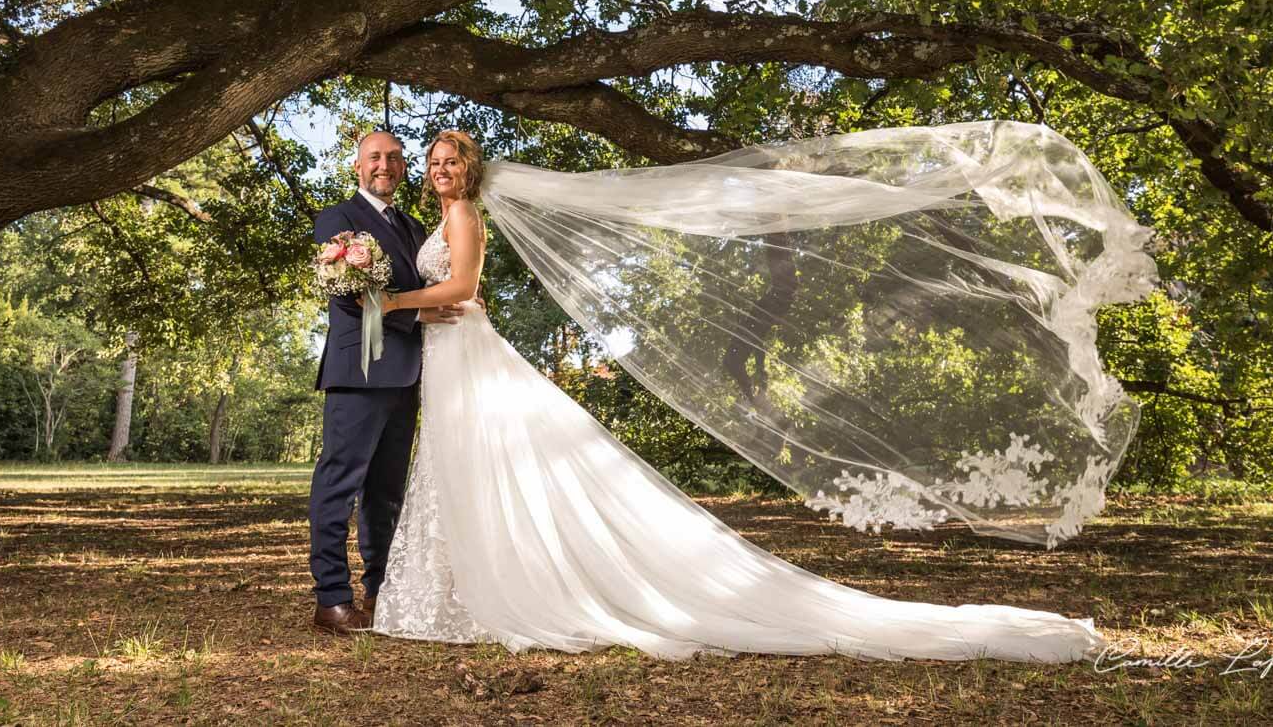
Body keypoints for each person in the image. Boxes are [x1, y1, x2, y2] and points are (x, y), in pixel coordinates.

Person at [367, 129, 1109, 662]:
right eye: (431, 163)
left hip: (462, 352)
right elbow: (459, 298)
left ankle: (484, 592)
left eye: (449, 161)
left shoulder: (463, 217)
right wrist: (413, 305)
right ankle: (458, 590)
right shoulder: (440, 217)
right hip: (450, 351)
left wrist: (392, 302)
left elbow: (462, 287)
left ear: (470, 170)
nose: (439, 171)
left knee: (471, 464)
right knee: (460, 470)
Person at [307, 131, 469, 635]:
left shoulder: (412, 224)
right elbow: (346, 299)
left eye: (395, 158)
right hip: (359, 371)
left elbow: (436, 283)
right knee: (340, 483)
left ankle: (381, 589)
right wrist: (417, 316)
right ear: (358, 165)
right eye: (375, 157)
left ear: (403, 168)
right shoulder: (338, 220)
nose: (385, 165)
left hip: (409, 373)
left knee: (387, 491)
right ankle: (332, 599)